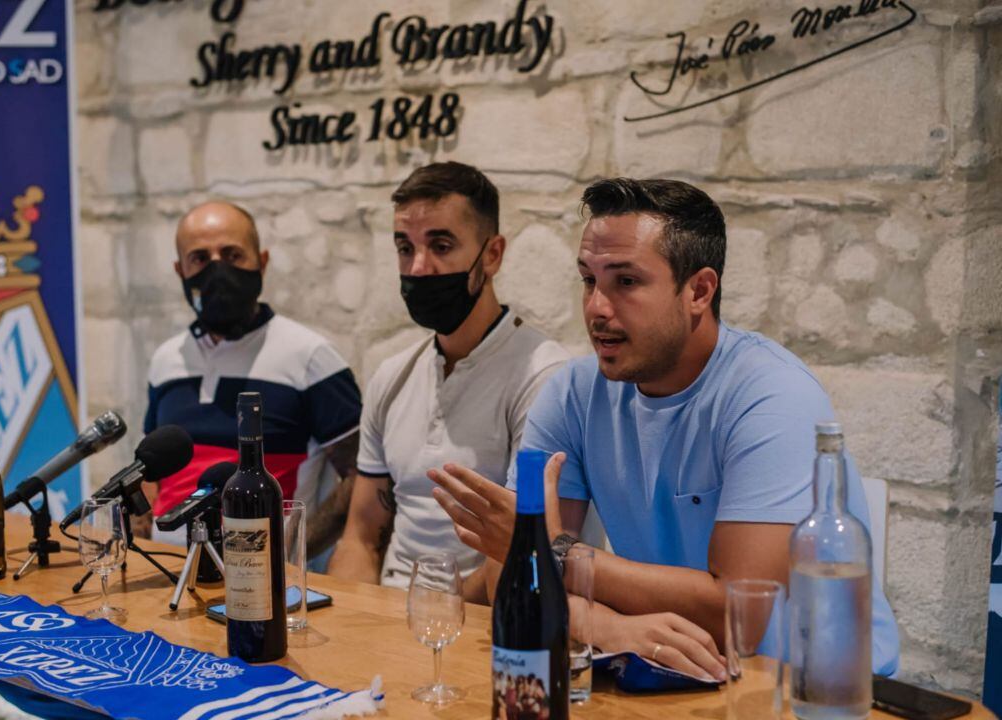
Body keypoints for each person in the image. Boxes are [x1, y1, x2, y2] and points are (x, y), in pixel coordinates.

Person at [430, 178, 900, 680]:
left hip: (812, 689)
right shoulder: (572, 393)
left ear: (699, 291)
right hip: (667, 671)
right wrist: (604, 626)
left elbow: (739, 614)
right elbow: (508, 571)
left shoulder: (773, 396)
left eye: (626, 282)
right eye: (589, 280)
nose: (596, 308)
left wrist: (555, 554)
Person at [328, 162, 570, 601]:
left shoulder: (540, 376)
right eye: (405, 248)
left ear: (492, 254)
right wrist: (354, 618)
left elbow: (519, 548)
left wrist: (432, 613)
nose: (419, 267)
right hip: (387, 613)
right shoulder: (392, 376)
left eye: (441, 245)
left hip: (480, 617)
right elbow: (360, 538)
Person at [144, 201, 361, 561]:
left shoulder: (311, 358)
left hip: (261, 579)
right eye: (200, 258)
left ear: (261, 261)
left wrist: (287, 553)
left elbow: (361, 478)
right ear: (180, 270)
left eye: (233, 255)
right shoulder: (166, 360)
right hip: (166, 571)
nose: (217, 270)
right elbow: (153, 473)